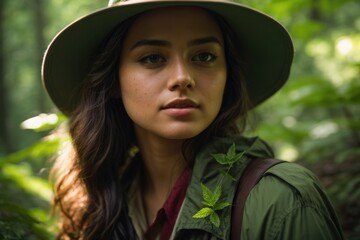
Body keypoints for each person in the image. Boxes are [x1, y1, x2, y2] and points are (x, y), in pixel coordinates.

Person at [42, 0, 344, 239]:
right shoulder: (100, 207)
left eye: (204, 56)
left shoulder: (282, 200)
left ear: (228, 76)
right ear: (112, 81)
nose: (182, 78)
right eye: (152, 58)